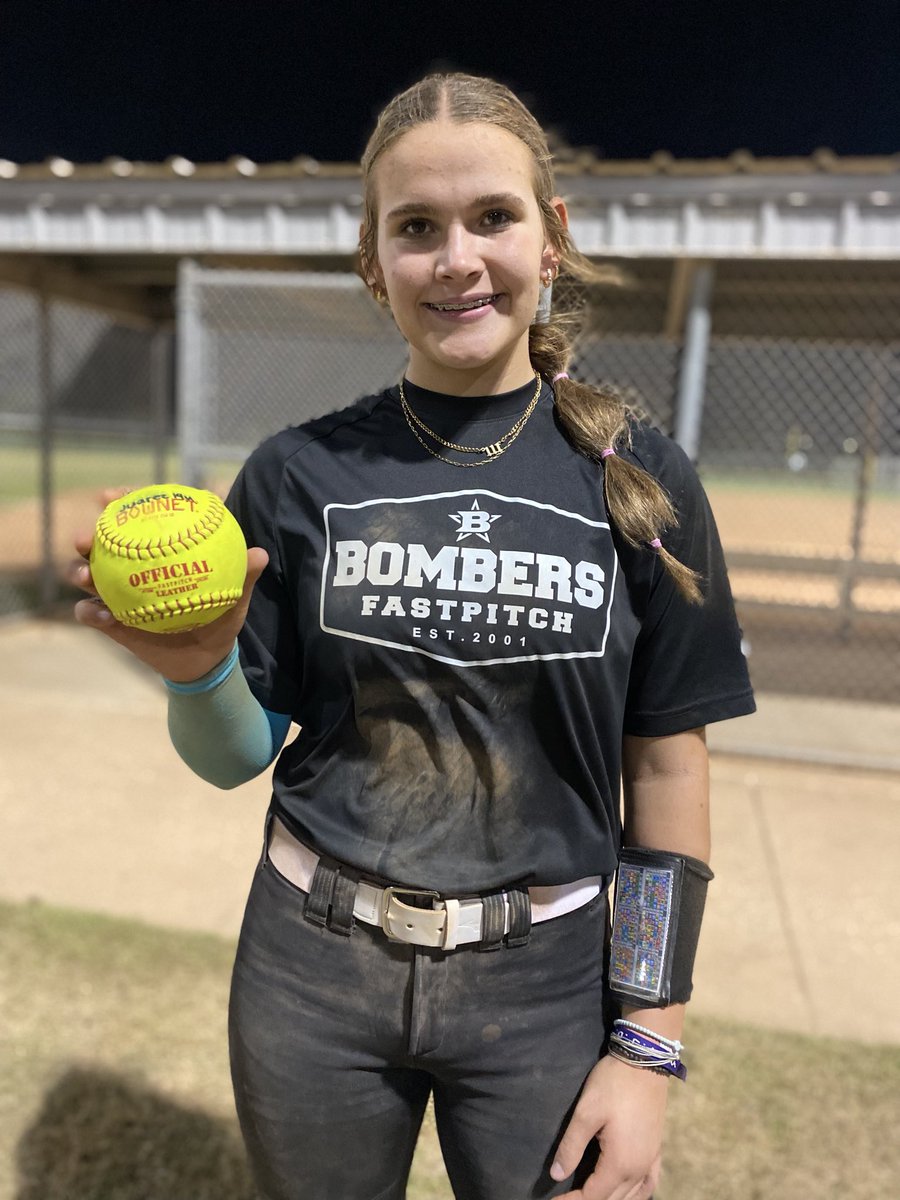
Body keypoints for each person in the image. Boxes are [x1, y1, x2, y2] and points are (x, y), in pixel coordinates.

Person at [72, 72, 755, 1200]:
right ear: (372, 261)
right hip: (310, 970)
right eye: (416, 228)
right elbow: (239, 755)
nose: (456, 257)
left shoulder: (636, 474)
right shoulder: (299, 473)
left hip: (544, 984)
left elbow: (668, 765)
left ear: (552, 241)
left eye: (493, 216)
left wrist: (648, 1040)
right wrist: (199, 675)